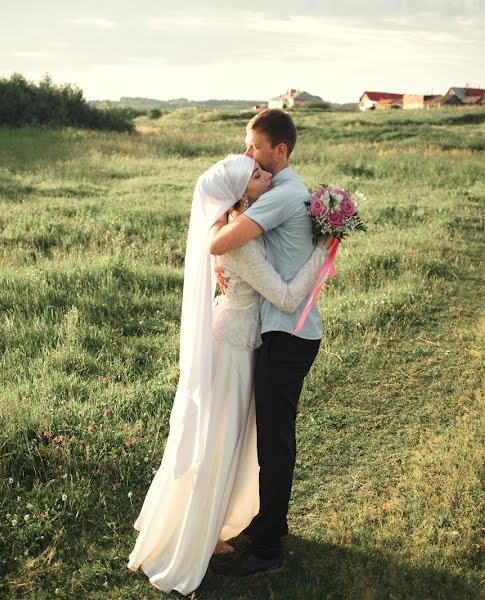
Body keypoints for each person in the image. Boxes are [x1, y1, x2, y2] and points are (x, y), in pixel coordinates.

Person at [127, 153, 329, 595]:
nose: (265, 177)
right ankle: (198, 534)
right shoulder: (238, 242)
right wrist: (324, 250)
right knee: (218, 441)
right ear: (240, 193)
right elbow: (288, 297)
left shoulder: (231, 232)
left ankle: (210, 526)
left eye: (263, 170)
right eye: (256, 176)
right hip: (236, 350)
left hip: (236, 339)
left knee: (225, 440)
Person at [208, 109, 320, 577]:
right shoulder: (289, 192)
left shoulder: (281, 194)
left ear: (281, 151)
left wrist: (221, 234)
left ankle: (268, 546)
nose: (248, 154)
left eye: (255, 148)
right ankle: (270, 525)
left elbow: (222, 243)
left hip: (284, 331)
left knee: (273, 443)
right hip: (281, 330)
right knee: (271, 439)